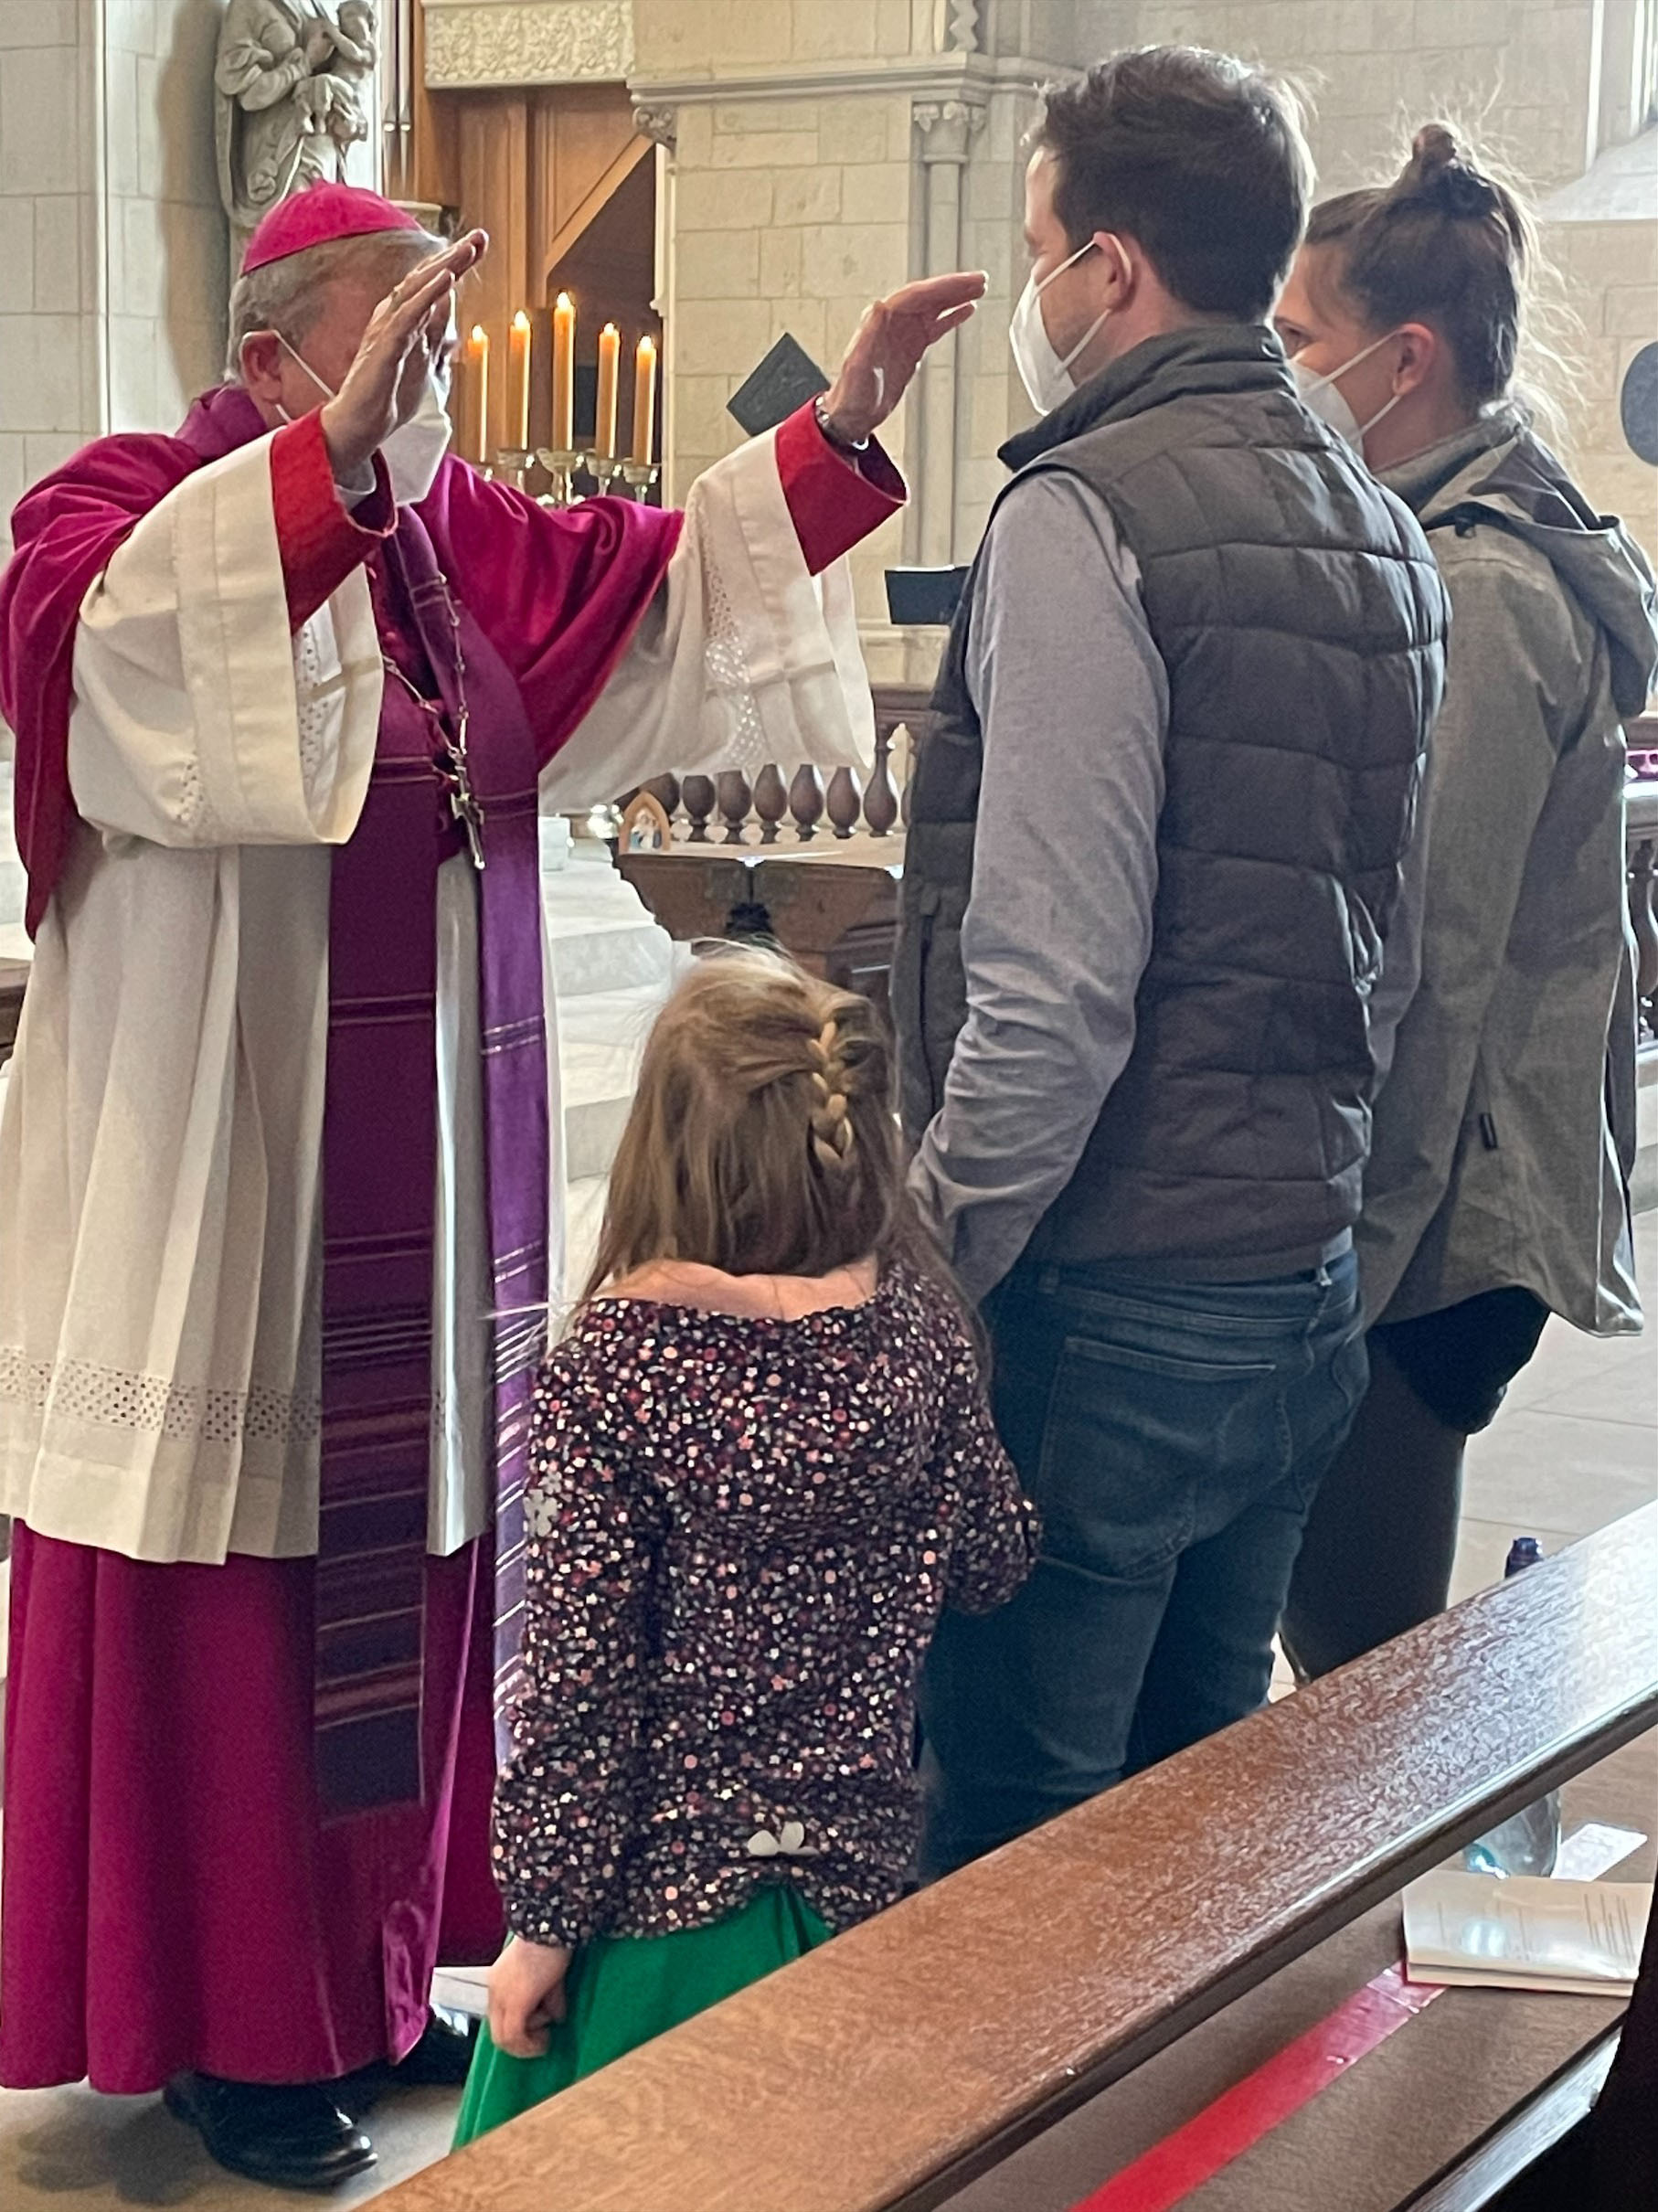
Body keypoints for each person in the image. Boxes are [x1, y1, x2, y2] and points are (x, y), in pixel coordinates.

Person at [0, 182, 983, 2187]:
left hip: (415, 1179)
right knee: (235, 1595)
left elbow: (652, 585)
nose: (426, 389)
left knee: (430, 1573)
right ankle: (236, 2032)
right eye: (394, 345)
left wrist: (843, 435)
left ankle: (364, 1979)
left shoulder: (446, 544)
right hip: (218, 1173)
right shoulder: (122, 502)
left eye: (438, 350)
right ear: (274, 349)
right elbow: (100, 670)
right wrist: (321, 473)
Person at [892, 48, 1451, 1880]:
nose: (1033, 285)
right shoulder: (1381, 518)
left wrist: (927, 1248)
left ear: (1111, 270)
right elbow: (1385, 939)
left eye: (1042, 242)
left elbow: (1051, 984)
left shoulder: (1085, 512)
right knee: (1192, 1857)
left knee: (1014, 1864)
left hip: (1104, 1291)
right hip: (1292, 1276)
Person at [450, 951, 1037, 2143]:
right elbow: (996, 1556)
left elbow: (578, 1685)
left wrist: (541, 1929)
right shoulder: (917, 1322)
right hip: (860, 1886)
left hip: (657, 1914)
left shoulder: (618, 1369)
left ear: (667, 1147)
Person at [1275, 128, 1658, 1677]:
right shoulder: (1429, 547)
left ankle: (1359, 1932)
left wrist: (1342, 1267)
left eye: (1297, 340)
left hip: (1435, 1220)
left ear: (1404, 359)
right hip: (1427, 1205)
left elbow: (1431, 954)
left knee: (1355, 1698)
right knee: (1335, 1683)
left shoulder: (1482, 591)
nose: (1279, 367)